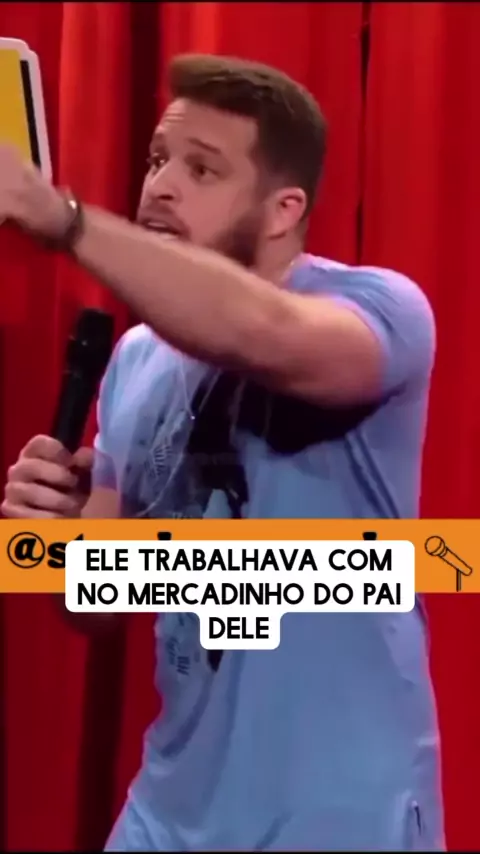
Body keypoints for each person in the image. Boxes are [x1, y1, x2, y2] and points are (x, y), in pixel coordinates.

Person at [0, 54, 444, 851]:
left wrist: (64, 220)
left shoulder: (378, 308)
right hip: (170, 811)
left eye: (201, 169)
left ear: (282, 210)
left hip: (338, 813)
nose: (161, 186)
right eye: (157, 160)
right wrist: (59, 542)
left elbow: (262, 333)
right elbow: (93, 607)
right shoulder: (134, 360)